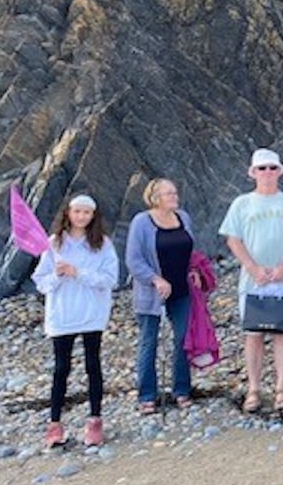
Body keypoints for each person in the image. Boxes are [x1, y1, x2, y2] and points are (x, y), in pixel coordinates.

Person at [219, 148, 283, 414]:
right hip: (253, 281)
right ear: (253, 173)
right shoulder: (241, 204)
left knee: (282, 333)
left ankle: (282, 388)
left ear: (280, 172)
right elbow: (233, 239)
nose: (268, 173)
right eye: (262, 168)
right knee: (254, 334)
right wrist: (252, 267)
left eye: (273, 168)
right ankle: (254, 389)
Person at [32, 195, 119, 448]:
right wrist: (58, 276)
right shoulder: (53, 244)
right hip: (63, 314)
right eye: (77, 211)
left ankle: (95, 420)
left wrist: (78, 273)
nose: (81, 217)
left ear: (93, 216)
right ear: (68, 213)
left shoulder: (102, 244)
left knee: (93, 365)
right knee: (61, 368)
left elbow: (109, 279)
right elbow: (41, 281)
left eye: (86, 212)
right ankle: (54, 423)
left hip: (91, 314)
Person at [125, 178, 196, 415]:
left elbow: (189, 250)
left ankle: (182, 389)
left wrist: (194, 270)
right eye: (169, 194)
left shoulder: (183, 218)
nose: (174, 197)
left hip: (181, 289)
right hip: (151, 292)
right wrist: (155, 279)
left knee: (183, 338)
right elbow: (133, 260)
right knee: (149, 341)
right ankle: (147, 394)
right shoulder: (141, 222)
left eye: (175, 193)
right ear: (155, 197)